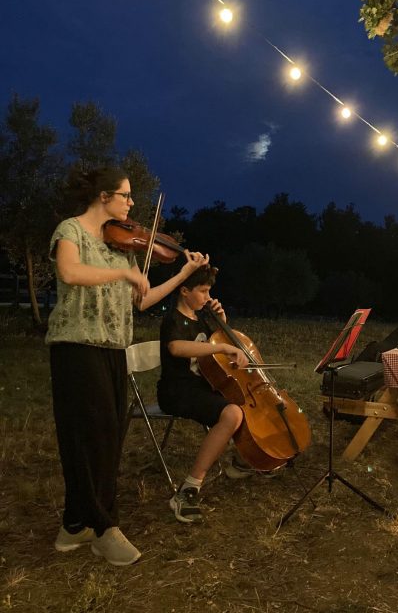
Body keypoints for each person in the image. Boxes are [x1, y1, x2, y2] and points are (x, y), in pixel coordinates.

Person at [46, 166, 207, 566]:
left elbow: (143, 299)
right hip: (76, 347)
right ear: (104, 197)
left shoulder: (122, 247)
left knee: (108, 436)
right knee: (93, 436)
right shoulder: (72, 231)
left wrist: (184, 274)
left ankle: (74, 523)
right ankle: (104, 528)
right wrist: (119, 272)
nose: (132, 204)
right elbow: (69, 271)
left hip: (113, 348)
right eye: (126, 195)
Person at [158, 264, 252, 524]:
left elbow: (219, 355)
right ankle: (189, 488)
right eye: (202, 291)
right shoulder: (173, 319)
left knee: (243, 401)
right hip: (177, 391)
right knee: (232, 413)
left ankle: (243, 460)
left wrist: (223, 325)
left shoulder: (202, 318)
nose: (208, 297)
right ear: (184, 290)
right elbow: (176, 348)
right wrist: (219, 344)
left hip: (203, 387)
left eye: (209, 291)